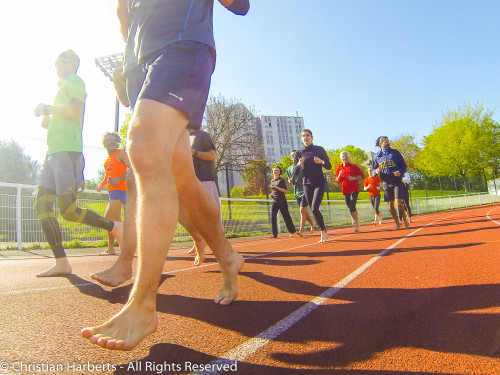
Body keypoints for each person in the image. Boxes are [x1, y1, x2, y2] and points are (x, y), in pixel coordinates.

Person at [82, 0, 249, 351]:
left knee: (141, 146)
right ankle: (227, 255)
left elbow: (240, 4)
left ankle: (143, 303)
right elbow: (122, 14)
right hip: (145, 61)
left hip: (184, 46)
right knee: (182, 180)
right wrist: (130, 62)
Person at [33, 50, 123, 277]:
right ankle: (61, 261)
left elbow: (76, 110)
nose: (58, 63)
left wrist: (48, 109)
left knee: (69, 212)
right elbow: (65, 116)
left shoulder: (75, 80)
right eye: (57, 60)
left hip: (67, 153)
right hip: (51, 154)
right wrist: (49, 121)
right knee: (42, 206)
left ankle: (115, 227)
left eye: (63, 60)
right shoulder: (61, 89)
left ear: (73, 64)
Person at [186, 128, 222, 264]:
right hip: (188, 181)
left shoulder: (202, 135)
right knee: (192, 216)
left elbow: (212, 156)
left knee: (211, 215)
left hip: (204, 180)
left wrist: (194, 152)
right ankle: (199, 242)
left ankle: (218, 244)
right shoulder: (181, 136)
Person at [96, 132, 131, 255]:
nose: (111, 142)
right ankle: (112, 247)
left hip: (121, 190)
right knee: (113, 221)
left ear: (117, 142)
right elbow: (107, 176)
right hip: (112, 192)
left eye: (113, 140)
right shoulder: (108, 160)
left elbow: (132, 168)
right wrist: (101, 185)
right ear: (104, 144)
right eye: (108, 140)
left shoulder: (121, 154)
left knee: (109, 219)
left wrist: (119, 179)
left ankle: (123, 246)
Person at [294, 129, 332, 243]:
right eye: (303, 136)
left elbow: (329, 166)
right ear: (301, 139)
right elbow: (295, 172)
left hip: (319, 183)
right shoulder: (299, 153)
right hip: (306, 184)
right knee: (313, 210)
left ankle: (323, 231)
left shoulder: (319, 150)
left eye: (307, 135)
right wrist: (299, 164)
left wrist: (322, 162)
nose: (305, 137)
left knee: (315, 208)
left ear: (312, 137)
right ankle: (324, 230)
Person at [372, 136, 410, 230]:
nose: (385, 142)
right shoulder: (377, 156)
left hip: (397, 181)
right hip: (386, 181)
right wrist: (376, 172)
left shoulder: (395, 153)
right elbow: (373, 170)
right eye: (383, 141)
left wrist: (400, 172)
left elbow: (404, 165)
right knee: (390, 205)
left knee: (399, 203)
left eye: (386, 141)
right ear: (380, 144)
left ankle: (404, 218)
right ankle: (397, 223)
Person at [286, 150, 314, 236]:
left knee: (302, 210)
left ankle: (301, 230)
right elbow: (289, 179)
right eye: (292, 156)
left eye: (295, 155)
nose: (294, 157)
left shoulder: (304, 165)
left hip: (305, 189)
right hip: (297, 191)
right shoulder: (289, 169)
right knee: (304, 211)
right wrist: (290, 181)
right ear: (291, 157)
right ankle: (312, 224)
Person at [335, 151, 365, 232]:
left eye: (346, 156)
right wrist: (339, 175)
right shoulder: (339, 168)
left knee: (352, 206)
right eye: (343, 156)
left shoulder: (354, 167)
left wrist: (354, 178)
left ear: (348, 157)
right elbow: (337, 180)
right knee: (350, 207)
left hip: (354, 189)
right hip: (345, 190)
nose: (344, 158)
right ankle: (357, 220)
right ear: (341, 158)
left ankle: (356, 223)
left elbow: (362, 176)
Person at [269, 165, 298, 238]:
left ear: (279, 172)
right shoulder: (272, 181)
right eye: (274, 170)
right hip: (274, 201)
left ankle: (292, 231)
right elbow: (274, 191)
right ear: (272, 172)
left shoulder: (281, 180)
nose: (275, 171)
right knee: (273, 217)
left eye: (277, 170)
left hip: (282, 201)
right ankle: (274, 234)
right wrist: (271, 194)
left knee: (286, 217)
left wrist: (276, 187)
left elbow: (285, 191)